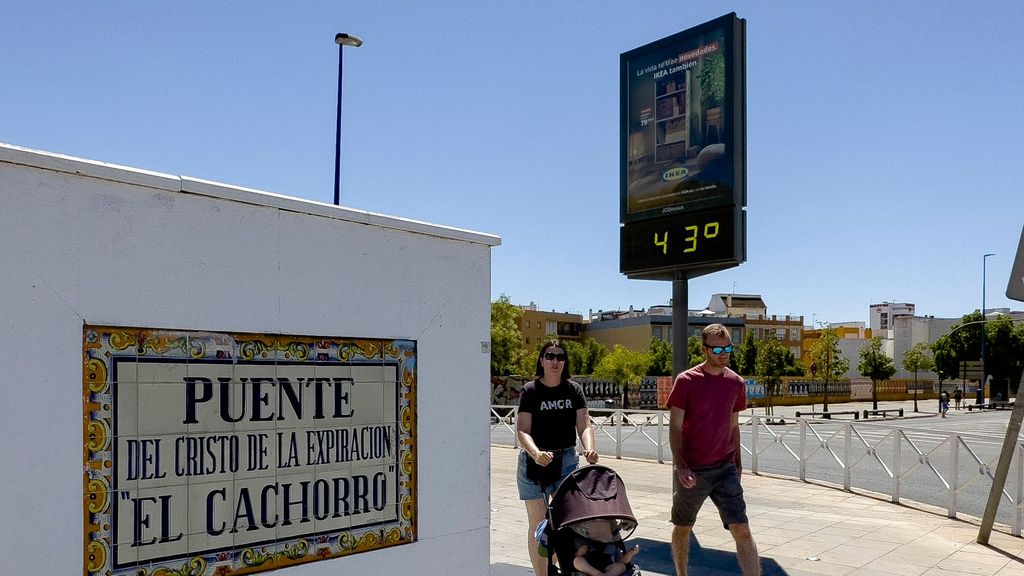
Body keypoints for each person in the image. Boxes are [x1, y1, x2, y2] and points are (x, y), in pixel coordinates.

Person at [668, 324, 760, 576]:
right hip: (693, 469)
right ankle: (681, 573)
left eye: (728, 347)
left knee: (742, 528)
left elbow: (733, 426)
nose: (724, 353)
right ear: (704, 349)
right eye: (717, 348)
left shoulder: (736, 383)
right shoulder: (686, 381)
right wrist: (681, 465)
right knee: (683, 527)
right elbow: (675, 427)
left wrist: (738, 464)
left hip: (725, 468)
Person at [517, 339, 599, 576]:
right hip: (535, 462)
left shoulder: (573, 389)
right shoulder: (530, 390)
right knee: (539, 524)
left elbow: (584, 423)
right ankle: (542, 574)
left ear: (565, 362)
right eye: (550, 356)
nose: (555, 361)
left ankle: (556, 562)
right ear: (542, 360)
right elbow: (522, 429)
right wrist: (535, 453)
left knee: (568, 520)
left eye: (560, 357)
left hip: (566, 460)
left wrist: (589, 448)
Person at [572, 519, 640, 576]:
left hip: (608, 566)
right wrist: (579, 553)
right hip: (589, 566)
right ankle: (597, 574)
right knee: (577, 561)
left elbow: (622, 561)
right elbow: (574, 558)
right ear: (589, 533)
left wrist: (630, 553)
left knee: (621, 566)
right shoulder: (584, 541)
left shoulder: (612, 544)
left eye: (606, 531)